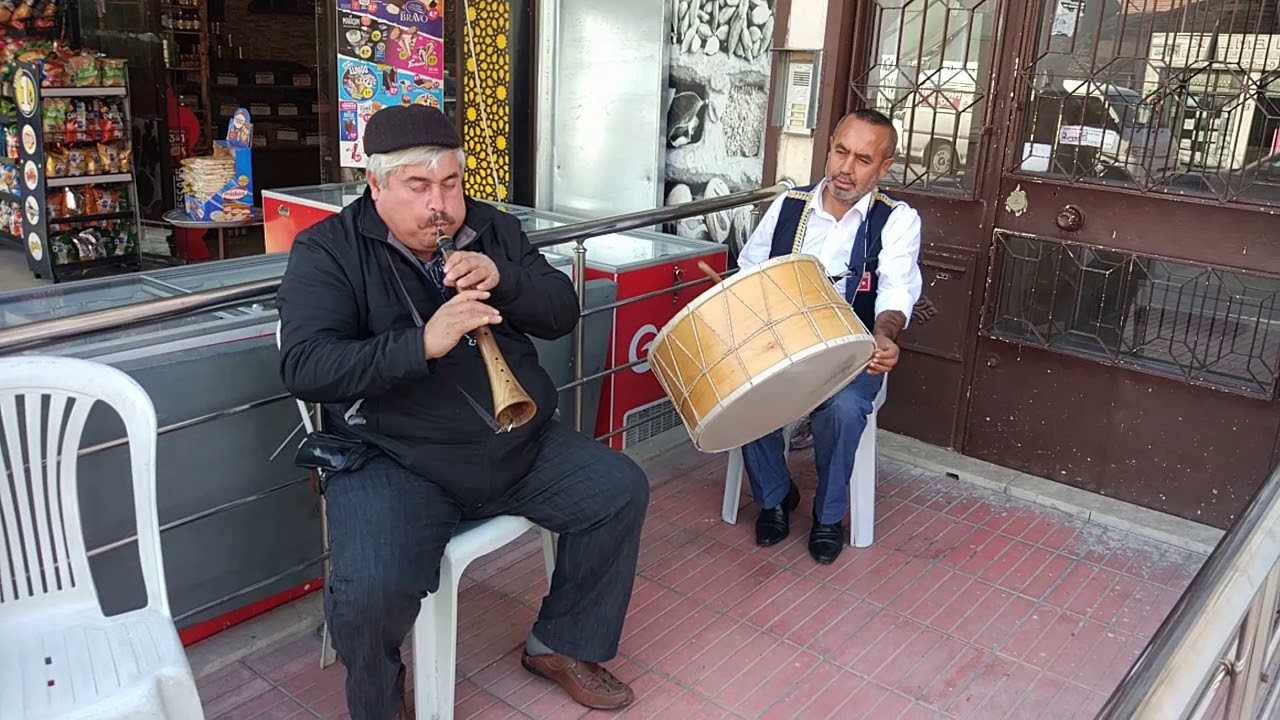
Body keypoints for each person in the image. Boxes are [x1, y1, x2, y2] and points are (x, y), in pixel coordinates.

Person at [275, 105, 649, 720]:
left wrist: (504, 279)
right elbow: (307, 365)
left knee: (618, 490)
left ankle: (560, 644)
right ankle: (379, 695)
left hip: (513, 440)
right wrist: (419, 344)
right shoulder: (329, 250)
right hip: (396, 457)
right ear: (376, 185)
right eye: (418, 188)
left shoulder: (491, 229)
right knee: (371, 591)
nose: (440, 206)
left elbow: (560, 312)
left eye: (450, 184)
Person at [735, 108, 923, 565]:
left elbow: (897, 287)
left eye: (863, 159)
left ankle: (828, 515)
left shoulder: (896, 220)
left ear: (885, 167)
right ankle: (776, 496)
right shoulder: (789, 205)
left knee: (842, 408)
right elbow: (749, 271)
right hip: (783, 344)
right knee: (741, 393)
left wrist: (883, 335)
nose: (846, 167)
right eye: (841, 151)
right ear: (830, 147)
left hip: (851, 352)